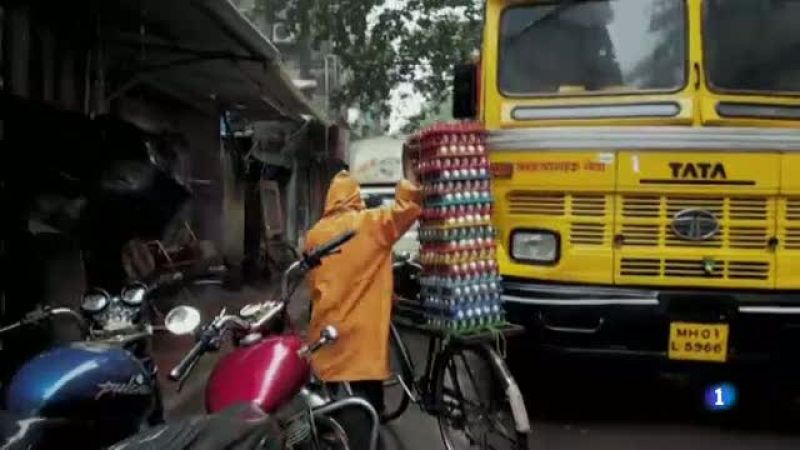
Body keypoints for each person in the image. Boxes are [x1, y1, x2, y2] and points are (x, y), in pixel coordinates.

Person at [304, 160, 421, 449]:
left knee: (331, 403)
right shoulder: (369, 224)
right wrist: (410, 178)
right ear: (356, 198)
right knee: (369, 407)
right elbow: (405, 210)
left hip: (328, 335)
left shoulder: (314, 234)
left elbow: (314, 285)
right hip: (362, 343)